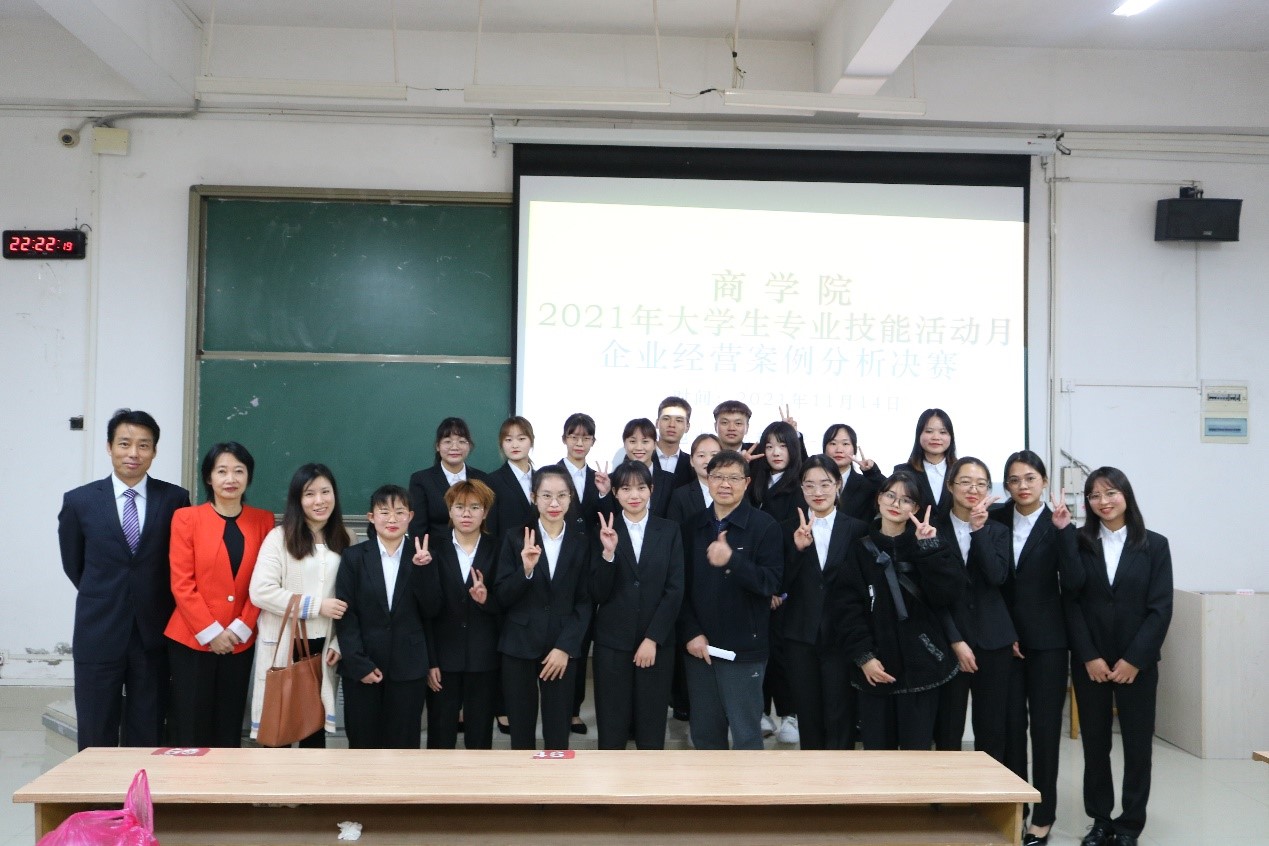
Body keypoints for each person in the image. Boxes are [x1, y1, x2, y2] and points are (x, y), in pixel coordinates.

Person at [58, 409, 191, 750]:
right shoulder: (80, 501)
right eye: (125, 443)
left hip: (154, 632)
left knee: (148, 726)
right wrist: (108, 594)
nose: (134, 453)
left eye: (143, 445)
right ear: (109, 447)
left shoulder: (175, 499)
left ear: (154, 451)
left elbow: (179, 562)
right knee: (95, 726)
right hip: (98, 629)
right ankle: (97, 785)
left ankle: (141, 785)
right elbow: (74, 565)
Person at [1067, 468, 1172, 846]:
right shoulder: (1078, 542)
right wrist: (1088, 656)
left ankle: (1129, 825)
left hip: (1136, 664)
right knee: (1095, 745)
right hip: (1091, 663)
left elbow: (1161, 608)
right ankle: (1100, 821)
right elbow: (1070, 603)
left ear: (1126, 495)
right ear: (1088, 503)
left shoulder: (1155, 545)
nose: (1104, 501)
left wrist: (1135, 660)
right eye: (1095, 496)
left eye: (1111, 493)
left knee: (1138, 746)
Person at [990, 450, 1081, 846]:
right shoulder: (995, 518)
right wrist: (1002, 631)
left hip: (1048, 643)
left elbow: (1074, 582)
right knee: (1012, 729)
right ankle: (1016, 807)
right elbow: (988, 582)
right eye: (1014, 480)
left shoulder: (1058, 523)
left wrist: (1064, 532)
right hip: (1004, 640)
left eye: (1030, 478)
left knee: (1044, 730)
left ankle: (1043, 815)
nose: (1022, 486)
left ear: (1043, 481)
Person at [834, 471, 962, 750]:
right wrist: (864, 657)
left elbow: (946, 595)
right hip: (875, 669)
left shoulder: (928, 542)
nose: (896, 503)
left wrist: (929, 548)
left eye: (906, 500)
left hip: (923, 667)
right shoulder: (858, 550)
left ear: (915, 508)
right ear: (879, 498)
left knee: (917, 758)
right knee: (878, 757)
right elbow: (847, 610)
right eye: (890, 495)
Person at [165, 442, 275, 748]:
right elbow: (182, 583)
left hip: (239, 642)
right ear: (209, 477)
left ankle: (227, 781)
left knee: (229, 727)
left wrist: (240, 628)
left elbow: (265, 582)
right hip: (192, 640)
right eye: (222, 471)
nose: (231, 479)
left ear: (248, 477)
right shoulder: (186, 518)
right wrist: (211, 632)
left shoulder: (264, 521)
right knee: (190, 726)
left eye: (239, 471)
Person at [678, 450, 783, 750]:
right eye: (718, 477)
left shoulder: (765, 526)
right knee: (705, 736)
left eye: (734, 478)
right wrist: (691, 633)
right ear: (707, 480)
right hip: (699, 649)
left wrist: (732, 560)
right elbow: (678, 587)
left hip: (744, 651)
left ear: (747, 482)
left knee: (747, 736)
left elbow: (770, 583)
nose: (725, 484)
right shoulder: (691, 527)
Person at [248, 463, 351, 747]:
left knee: (313, 734)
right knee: (277, 731)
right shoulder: (279, 538)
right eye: (309, 493)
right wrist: (316, 606)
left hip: (324, 649)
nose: (319, 501)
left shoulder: (345, 539)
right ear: (298, 499)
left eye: (325, 492)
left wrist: (339, 643)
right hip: (285, 645)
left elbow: (353, 600)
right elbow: (261, 592)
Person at [335, 484, 442, 749]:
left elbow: (432, 610)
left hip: (409, 669)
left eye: (400, 512)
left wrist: (423, 571)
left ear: (411, 516)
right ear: (371, 517)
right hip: (363, 667)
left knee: (404, 746)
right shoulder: (353, 557)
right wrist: (359, 664)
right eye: (384, 512)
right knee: (363, 745)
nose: (392, 519)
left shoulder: (423, 556)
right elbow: (346, 615)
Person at [495, 466, 593, 750]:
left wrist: (565, 648)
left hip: (561, 648)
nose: (554, 503)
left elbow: (585, 600)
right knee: (521, 734)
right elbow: (502, 596)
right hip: (519, 646)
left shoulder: (582, 541)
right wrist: (525, 570)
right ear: (533, 497)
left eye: (562, 495)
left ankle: (555, 779)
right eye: (546, 495)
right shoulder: (515, 538)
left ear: (571, 497)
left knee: (558, 733)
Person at [590, 461, 685, 749]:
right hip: (612, 643)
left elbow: (675, 589)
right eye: (626, 489)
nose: (634, 495)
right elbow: (597, 592)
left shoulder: (669, 530)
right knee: (611, 729)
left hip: (657, 644)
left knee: (651, 728)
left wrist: (652, 638)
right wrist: (608, 555)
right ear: (615, 493)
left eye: (641, 488)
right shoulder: (603, 530)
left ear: (651, 490)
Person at [932, 457, 1015, 764]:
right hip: (948, 641)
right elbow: (931, 593)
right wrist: (955, 640)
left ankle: (989, 792)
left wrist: (978, 530)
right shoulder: (932, 529)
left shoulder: (997, 530)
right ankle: (946, 792)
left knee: (992, 729)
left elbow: (997, 577)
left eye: (981, 484)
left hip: (993, 640)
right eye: (965, 482)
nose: (973, 489)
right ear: (950, 485)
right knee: (948, 728)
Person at [781, 456, 867, 749]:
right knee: (808, 717)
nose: (818, 492)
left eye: (825, 484)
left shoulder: (857, 529)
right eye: (809, 485)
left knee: (841, 715)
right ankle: (812, 777)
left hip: (842, 635)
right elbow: (778, 585)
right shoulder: (786, 528)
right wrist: (797, 550)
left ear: (838, 485)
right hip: (799, 636)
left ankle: (840, 778)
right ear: (801, 488)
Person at [424, 479, 502, 749]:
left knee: (480, 737)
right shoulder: (432, 549)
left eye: (474, 507)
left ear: (485, 512)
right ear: (450, 510)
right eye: (459, 507)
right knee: (440, 736)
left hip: (484, 657)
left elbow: (506, 603)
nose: (466, 514)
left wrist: (486, 599)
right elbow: (425, 610)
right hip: (443, 659)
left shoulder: (499, 548)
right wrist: (430, 660)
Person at [749, 420, 806, 742]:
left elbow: (794, 545)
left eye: (782, 445)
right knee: (759, 650)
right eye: (769, 446)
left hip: (787, 586)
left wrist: (779, 589)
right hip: (755, 582)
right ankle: (759, 711)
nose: (775, 452)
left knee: (784, 653)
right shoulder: (754, 483)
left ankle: (790, 714)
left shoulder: (800, 486)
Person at [408, 417, 489, 540]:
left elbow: (488, 525)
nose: (454, 447)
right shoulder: (421, 480)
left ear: (469, 446)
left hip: (475, 550)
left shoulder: (482, 479)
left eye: (461, 441)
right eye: (447, 441)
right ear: (438, 446)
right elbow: (417, 529)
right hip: (434, 550)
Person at [895, 408, 957, 520]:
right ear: (919, 434)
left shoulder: (960, 471)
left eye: (943, 432)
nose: (936, 437)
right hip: (914, 531)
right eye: (929, 431)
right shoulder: (903, 471)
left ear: (951, 437)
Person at [558, 411, 614, 533]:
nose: (579, 443)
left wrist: (604, 494)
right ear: (564, 439)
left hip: (592, 544)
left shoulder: (599, 480)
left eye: (586, 438)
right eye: (574, 437)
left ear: (593, 442)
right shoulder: (550, 476)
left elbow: (608, 519)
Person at [487, 416, 537, 540]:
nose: (515, 445)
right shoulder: (492, 481)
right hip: (506, 550)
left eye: (521, 439)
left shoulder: (541, 479)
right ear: (501, 444)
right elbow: (490, 528)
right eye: (508, 440)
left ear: (531, 441)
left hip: (539, 549)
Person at [823, 423, 885, 522]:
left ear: (854, 450)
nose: (839, 450)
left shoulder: (866, 485)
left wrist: (871, 472)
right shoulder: (812, 483)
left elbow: (889, 491)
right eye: (833, 443)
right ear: (824, 449)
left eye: (845, 444)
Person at [619, 417, 675, 518]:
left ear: (655, 444)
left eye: (645, 442)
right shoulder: (613, 479)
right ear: (624, 444)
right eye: (632, 441)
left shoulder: (670, 481)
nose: (639, 447)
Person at [654, 396, 695, 488]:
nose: (672, 425)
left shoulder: (692, 464)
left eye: (679, 420)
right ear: (657, 423)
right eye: (666, 418)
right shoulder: (642, 457)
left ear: (687, 427)